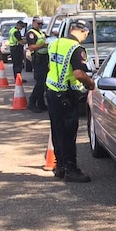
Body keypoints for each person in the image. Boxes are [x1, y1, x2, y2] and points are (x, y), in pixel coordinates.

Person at [45, 19, 95, 183]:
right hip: (66, 96)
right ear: (84, 31)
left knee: (57, 131)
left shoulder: (55, 43)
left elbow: (50, 66)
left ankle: (60, 167)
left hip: (52, 92)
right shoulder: (76, 49)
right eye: (87, 33)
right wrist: (90, 84)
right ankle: (71, 170)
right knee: (68, 134)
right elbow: (79, 74)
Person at [25, 16, 49, 113]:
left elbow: (47, 38)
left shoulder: (41, 32)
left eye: (41, 24)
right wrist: (42, 45)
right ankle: (31, 102)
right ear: (33, 22)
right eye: (38, 23)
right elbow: (31, 47)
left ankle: (41, 104)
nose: (40, 25)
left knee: (44, 83)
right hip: (38, 59)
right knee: (40, 83)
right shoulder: (31, 33)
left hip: (45, 58)